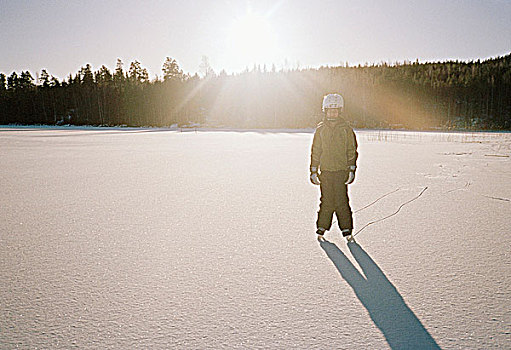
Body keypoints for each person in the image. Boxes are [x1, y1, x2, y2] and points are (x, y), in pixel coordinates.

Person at [310, 93, 358, 241]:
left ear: (340, 111)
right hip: (325, 172)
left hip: (340, 171)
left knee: (342, 200)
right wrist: (313, 170)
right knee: (326, 200)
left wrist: (351, 169)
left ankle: (346, 229)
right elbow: (316, 150)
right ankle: (322, 227)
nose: (333, 113)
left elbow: (352, 150)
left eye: (335, 110)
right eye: (330, 111)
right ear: (325, 111)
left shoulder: (346, 129)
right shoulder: (321, 129)